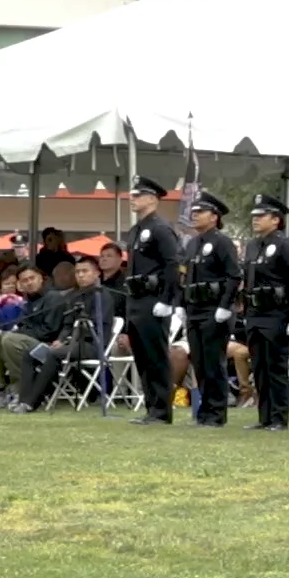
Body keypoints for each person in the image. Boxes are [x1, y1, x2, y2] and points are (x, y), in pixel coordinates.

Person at [12, 256, 119, 413]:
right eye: (77, 272)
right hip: (71, 344)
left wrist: (67, 340)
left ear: (97, 273)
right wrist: (61, 339)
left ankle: (31, 402)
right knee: (30, 355)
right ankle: (23, 399)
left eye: (85, 271)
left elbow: (93, 327)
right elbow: (68, 324)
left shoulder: (103, 296)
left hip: (93, 345)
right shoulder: (74, 296)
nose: (81, 275)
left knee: (55, 354)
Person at [240, 194, 289, 431]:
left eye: (261, 216)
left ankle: (279, 417)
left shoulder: (284, 245)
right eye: (254, 216)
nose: (256, 220)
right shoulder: (253, 245)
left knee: (276, 368)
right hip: (255, 312)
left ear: (276, 219)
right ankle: (264, 416)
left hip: (277, 312)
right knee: (260, 368)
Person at [123, 176, 182, 425]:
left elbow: (172, 264)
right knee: (142, 357)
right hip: (136, 298)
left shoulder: (160, 228)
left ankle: (162, 410)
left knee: (156, 356)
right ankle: (151, 407)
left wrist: (168, 299)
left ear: (151, 199)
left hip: (154, 298)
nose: (132, 199)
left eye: (137, 196)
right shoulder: (136, 230)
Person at [183, 191, 242, 427]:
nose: (195, 216)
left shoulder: (222, 242)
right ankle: (204, 411)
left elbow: (234, 275)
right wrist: (181, 305)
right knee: (198, 361)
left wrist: (225, 305)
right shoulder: (193, 244)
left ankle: (216, 413)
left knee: (213, 361)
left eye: (200, 212)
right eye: (194, 212)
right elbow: (184, 277)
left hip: (214, 308)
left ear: (214, 216)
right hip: (195, 307)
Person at [0, 264, 63, 409]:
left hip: (48, 346)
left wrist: (16, 334)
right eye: (24, 280)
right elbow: (21, 326)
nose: (29, 283)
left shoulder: (53, 298)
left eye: (32, 278)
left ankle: (20, 389)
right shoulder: (28, 301)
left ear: (42, 279)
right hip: (26, 341)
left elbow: (49, 331)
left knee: (10, 339)